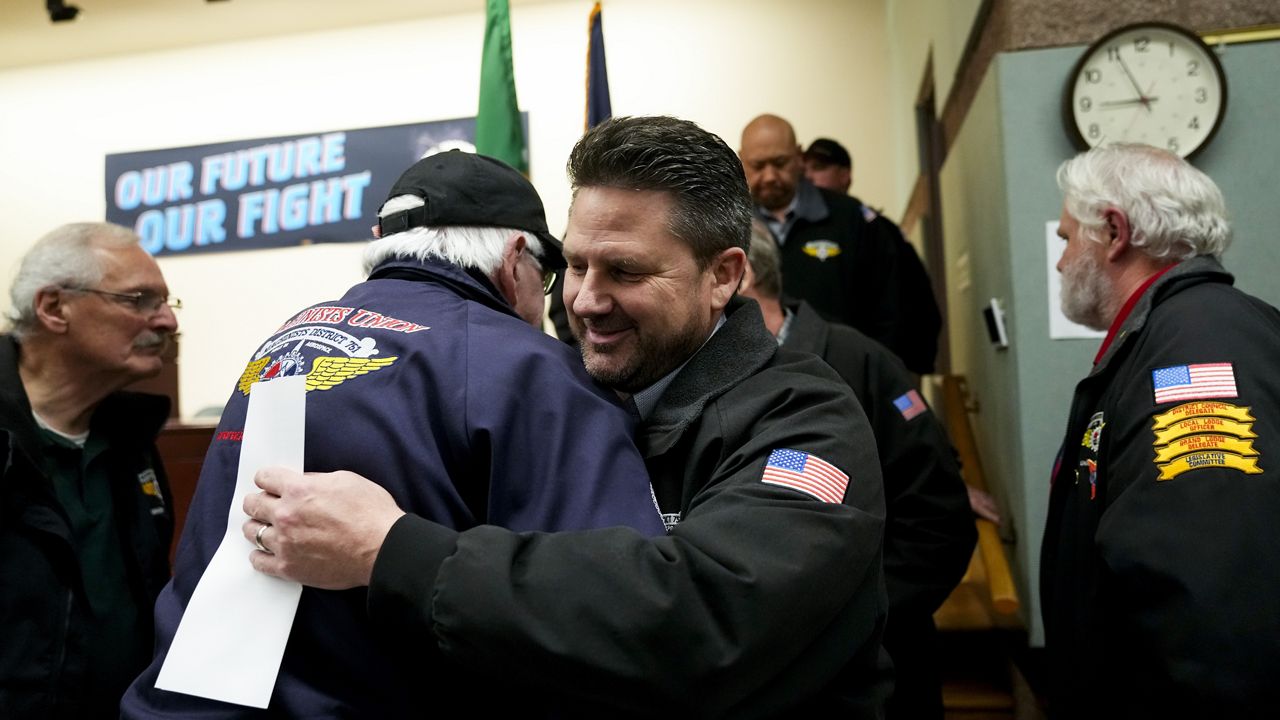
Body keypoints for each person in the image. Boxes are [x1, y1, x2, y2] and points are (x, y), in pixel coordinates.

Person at [239, 116, 892, 717]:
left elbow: (702, 619)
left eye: (625, 271)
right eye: (576, 264)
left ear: (722, 276)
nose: (585, 299)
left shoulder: (807, 422)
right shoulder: (571, 390)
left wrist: (389, 551)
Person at [121, 150, 667, 717]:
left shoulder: (283, 341)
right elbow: (621, 606)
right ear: (514, 262)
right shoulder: (534, 371)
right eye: (550, 277)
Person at [1041, 143, 1280, 717]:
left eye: (1067, 238)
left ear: (1115, 233)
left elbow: (1210, 610)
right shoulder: (1174, 334)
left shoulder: (1200, 350)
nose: (1060, 262)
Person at [739, 218, 975, 719]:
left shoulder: (863, 362)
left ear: (737, 278)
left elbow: (939, 524)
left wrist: (847, 617)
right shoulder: (713, 378)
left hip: (881, 675)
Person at [0, 222, 179, 719]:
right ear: (54, 308)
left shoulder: (132, 437)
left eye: (166, 302)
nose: (165, 320)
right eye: (140, 299)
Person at [739, 114, 942, 375]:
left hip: (847, 375)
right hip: (757, 381)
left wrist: (877, 371)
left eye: (780, 163)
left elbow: (892, 307)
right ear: (741, 160)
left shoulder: (852, 219)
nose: (769, 176)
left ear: (799, 157)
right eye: (758, 165)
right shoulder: (730, 227)